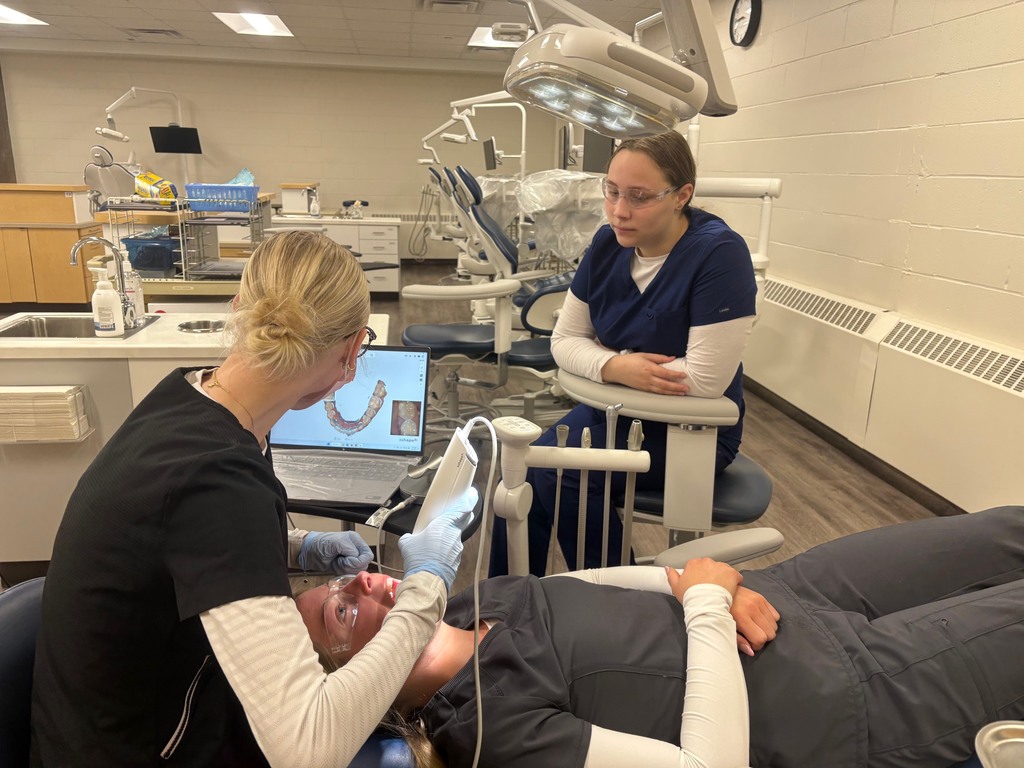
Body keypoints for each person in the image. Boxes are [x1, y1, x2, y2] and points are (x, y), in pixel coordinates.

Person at [31, 230, 473, 767]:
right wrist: (426, 591)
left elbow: (175, 541)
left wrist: (294, 548)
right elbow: (309, 750)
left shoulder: (189, 400)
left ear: (239, 305)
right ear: (352, 352)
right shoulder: (217, 479)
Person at [297, 506, 1024, 768]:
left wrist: (695, 582)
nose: (363, 582)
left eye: (343, 581)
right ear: (355, 686)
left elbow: (596, 581)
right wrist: (705, 602)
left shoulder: (464, 605)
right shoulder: (488, 729)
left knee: (1005, 531)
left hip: (782, 593)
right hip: (837, 695)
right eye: (343, 614)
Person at [490, 130, 759, 575]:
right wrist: (616, 365)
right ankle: (509, 599)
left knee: (566, 474)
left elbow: (705, 379)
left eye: (639, 197)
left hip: (689, 430)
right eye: (612, 191)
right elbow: (564, 341)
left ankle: (618, 598)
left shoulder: (718, 254)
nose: (619, 210)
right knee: (520, 471)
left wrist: (603, 362)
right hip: (612, 411)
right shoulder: (606, 244)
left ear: (682, 195)